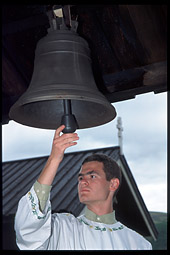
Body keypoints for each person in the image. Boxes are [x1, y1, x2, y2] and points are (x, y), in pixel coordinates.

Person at [15, 125, 152, 250]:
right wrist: (54, 158)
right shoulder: (61, 228)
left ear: (113, 184)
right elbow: (28, 230)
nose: (83, 182)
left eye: (92, 176)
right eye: (81, 178)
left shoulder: (139, 244)